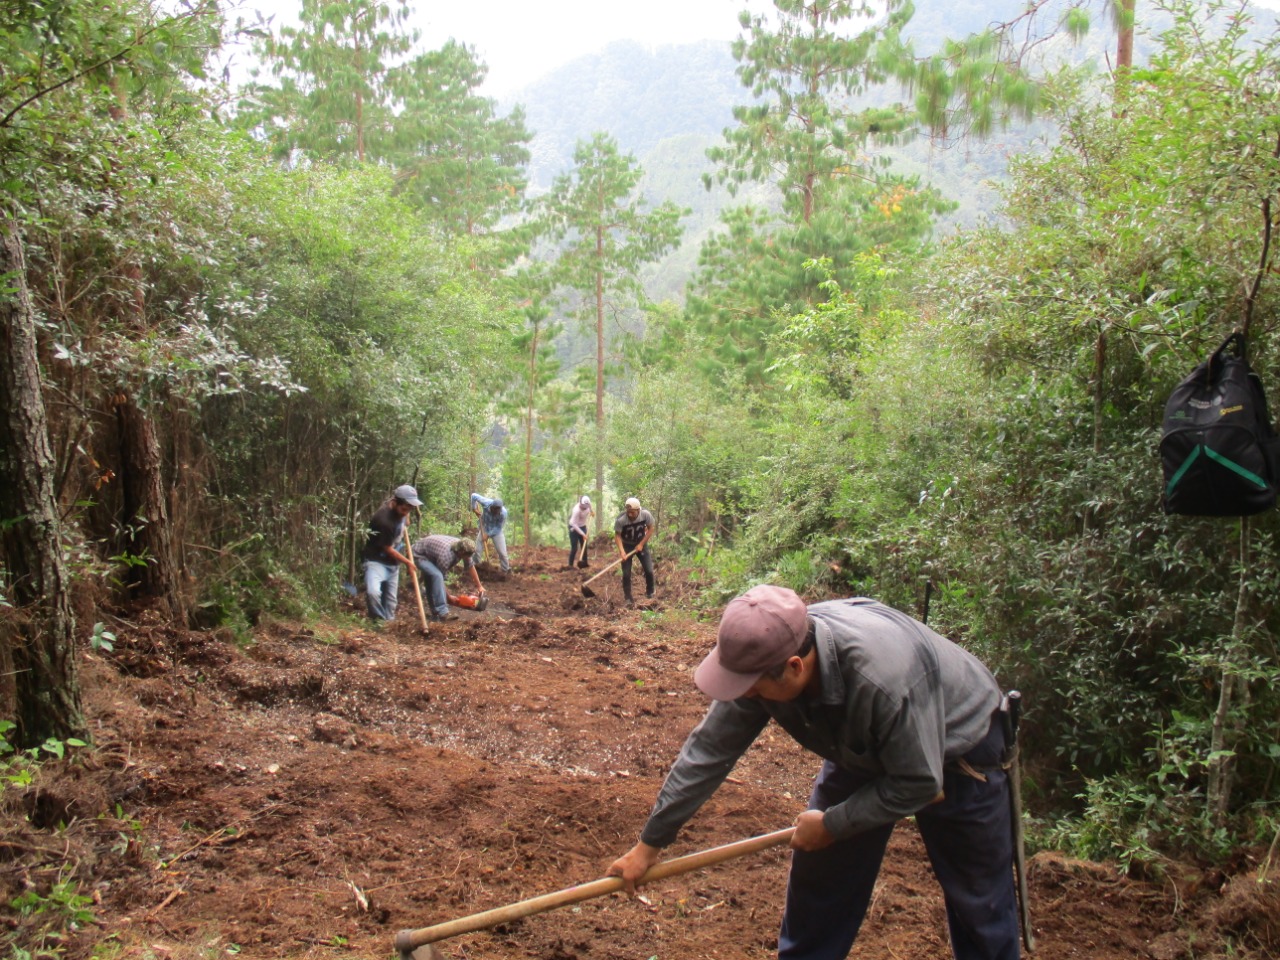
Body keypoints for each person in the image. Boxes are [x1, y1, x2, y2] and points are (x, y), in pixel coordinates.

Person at [607, 586, 1020, 960]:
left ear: (794, 668)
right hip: (862, 742)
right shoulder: (763, 654)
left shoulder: (883, 682)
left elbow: (920, 783)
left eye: (751, 688)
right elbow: (708, 751)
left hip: (961, 751)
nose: (745, 696)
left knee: (978, 903)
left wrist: (834, 823)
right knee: (821, 878)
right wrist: (648, 847)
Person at [360, 484, 421, 622]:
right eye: (405, 509)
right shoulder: (383, 521)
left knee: (391, 601)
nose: (407, 512)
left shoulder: (402, 510)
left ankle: (389, 626)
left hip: (393, 563)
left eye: (410, 509)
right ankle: (378, 622)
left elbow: (406, 520)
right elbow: (387, 548)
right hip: (376, 560)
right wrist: (408, 563)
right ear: (395, 503)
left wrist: (406, 517)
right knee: (373, 593)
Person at [411, 533, 485, 622]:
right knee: (436, 576)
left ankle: (435, 615)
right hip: (419, 554)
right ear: (461, 552)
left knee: (431, 582)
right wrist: (448, 597)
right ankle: (442, 612)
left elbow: (470, 566)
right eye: (467, 555)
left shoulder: (464, 547)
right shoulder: (446, 556)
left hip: (431, 554)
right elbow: (440, 580)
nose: (468, 557)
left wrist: (479, 586)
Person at [613, 496, 655, 604]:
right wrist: (622, 551)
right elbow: (617, 536)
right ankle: (628, 597)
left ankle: (650, 592)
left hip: (641, 544)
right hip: (627, 545)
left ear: (638, 510)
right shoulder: (621, 519)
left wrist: (641, 544)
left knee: (649, 570)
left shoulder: (645, 514)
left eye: (632, 512)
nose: (630, 514)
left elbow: (651, 528)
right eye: (628, 512)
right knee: (626, 573)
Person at [470, 492, 511, 574]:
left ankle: (505, 570)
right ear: (492, 507)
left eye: (498, 511)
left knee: (502, 553)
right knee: (477, 550)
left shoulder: (503, 513)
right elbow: (473, 496)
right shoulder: (486, 502)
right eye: (495, 511)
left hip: (496, 531)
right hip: (484, 527)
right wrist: (474, 508)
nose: (497, 513)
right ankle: (475, 568)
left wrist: (488, 534)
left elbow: (498, 527)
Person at [567, 495, 593, 569]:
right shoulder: (576, 510)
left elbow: (590, 508)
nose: (585, 507)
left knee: (584, 546)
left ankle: (584, 564)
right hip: (573, 528)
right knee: (574, 548)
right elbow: (574, 525)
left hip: (583, 526)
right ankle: (570, 565)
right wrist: (582, 534)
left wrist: (591, 512)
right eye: (583, 506)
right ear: (580, 503)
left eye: (586, 506)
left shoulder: (588, 505)